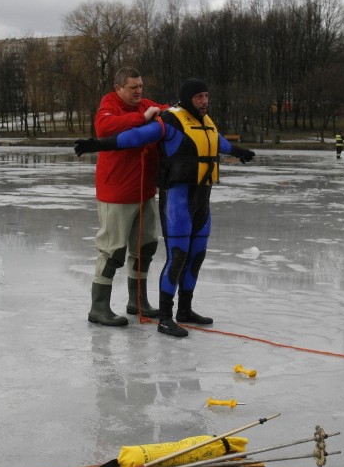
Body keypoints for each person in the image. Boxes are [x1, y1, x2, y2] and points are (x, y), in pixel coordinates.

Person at [75, 78, 256, 338]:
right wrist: (97, 144)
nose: (204, 101)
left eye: (206, 96)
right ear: (187, 98)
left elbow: (218, 143)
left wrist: (240, 151)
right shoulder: (169, 122)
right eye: (198, 97)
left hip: (202, 198)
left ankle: (184, 309)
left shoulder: (205, 122)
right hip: (177, 200)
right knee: (177, 257)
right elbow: (135, 136)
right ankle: (164, 317)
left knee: (196, 255)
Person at [87, 67, 168, 327]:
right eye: (133, 87)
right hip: (117, 194)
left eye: (141, 86)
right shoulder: (109, 104)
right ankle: (98, 308)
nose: (139, 91)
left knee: (146, 246)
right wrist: (142, 118)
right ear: (119, 88)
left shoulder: (145, 104)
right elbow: (104, 128)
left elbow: (165, 112)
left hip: (144, 191)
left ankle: (138, 301)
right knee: (112, 251)